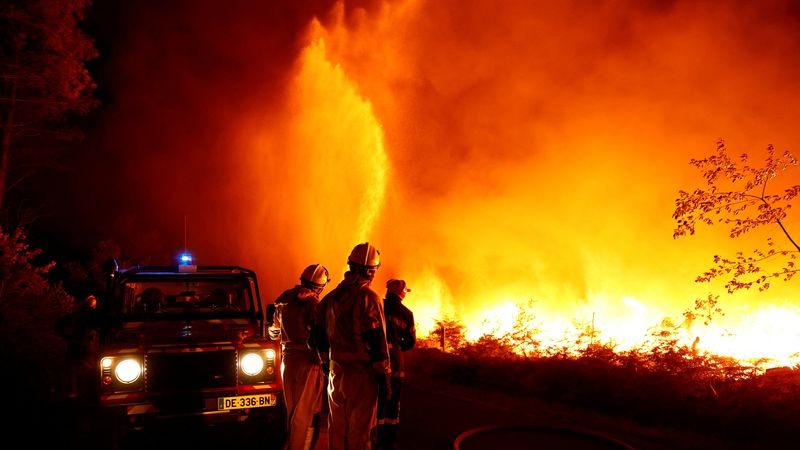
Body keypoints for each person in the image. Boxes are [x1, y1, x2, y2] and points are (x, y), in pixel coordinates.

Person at [311, 242, 392, 450]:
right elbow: (376, 342)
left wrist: (325, 365)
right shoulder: (369, 298)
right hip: (362, 375)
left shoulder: (330, 298)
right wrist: (384, 379)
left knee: (336, 428)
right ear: (371, 271)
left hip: (335, 373)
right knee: (361, 431)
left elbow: (317, 337)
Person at [268, 264, 331, 450]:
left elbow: (273, 331)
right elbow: (319, 337)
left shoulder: (284, 299)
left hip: (287, 361)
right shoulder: (313, 304)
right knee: (305, 413)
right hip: (308, 362)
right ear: (320, 287)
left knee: (292, 411)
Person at [377, 279, 416, 450]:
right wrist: (398, 344)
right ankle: (390, 441)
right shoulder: (407, 313)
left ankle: (374, 437)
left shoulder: (377, 306)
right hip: (396, 360)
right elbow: (410, 342)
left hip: (376, 358)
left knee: (377, 398)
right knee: (393, 401)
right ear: (402, 293)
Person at [54, 294, 99, 399]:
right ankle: (88, 394)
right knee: (89, 368)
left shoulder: (75, 316)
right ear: (92, 306)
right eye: (94, 304)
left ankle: (74, 393)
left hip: (76, 344)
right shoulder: (91, 317)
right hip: (85, 345)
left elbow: (58, 325)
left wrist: (67, 337)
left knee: (72, 368)